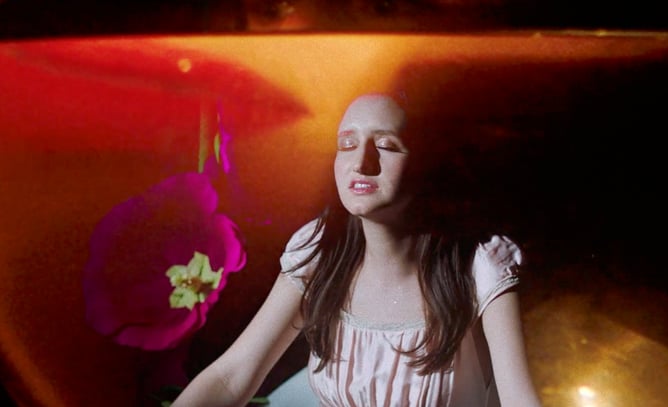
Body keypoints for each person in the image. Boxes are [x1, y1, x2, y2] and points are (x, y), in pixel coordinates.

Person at [172, 94, 541, 407]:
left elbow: (519, 402)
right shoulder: (319, 251)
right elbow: (231, 377)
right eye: (347, 145)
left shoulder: (479, 265)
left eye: (386, 146)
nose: (361, 164)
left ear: (426, 162)